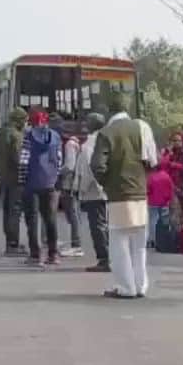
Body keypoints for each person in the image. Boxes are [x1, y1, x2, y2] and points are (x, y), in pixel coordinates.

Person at [91, 93, 158, 298]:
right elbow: (152, 160)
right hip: (140, 193)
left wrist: (107, 184)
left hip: (119, 195)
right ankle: (140, 286)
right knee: (139, 245)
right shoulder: (142, 127)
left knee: (119, 243)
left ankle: (125, 287)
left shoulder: (106, 133)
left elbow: (97, 165)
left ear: (110, 111)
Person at [18, 108, 63, 266]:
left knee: (32, 219)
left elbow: (24, 161)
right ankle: (53, 254)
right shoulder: (56, 137)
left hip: (32, 183)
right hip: (50, 184)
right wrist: (55, 179)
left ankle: (35, 255)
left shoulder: (29, 137)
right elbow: (59, 160)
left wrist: (22, 181)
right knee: (50, 220)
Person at [75, 113, 111, 273]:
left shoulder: (89, 144)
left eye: (87, 122)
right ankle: (110, 257)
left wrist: (80, 189)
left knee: (97, 226)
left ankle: (104, 258)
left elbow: (88, 170)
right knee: (105, 224)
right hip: (107, 190)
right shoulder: (107, 140)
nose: (85, 124)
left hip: (94, 191)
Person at [0, 108, 27, 256]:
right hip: (16, 178)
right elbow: (19, 159)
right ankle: (13, 245)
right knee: (15, 211)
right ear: (18, 121)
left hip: (4, 177)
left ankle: (9, 242)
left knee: (7, 210)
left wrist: (0, 172)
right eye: (24, 121)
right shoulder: (16, 136)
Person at [57, 117, 84, 258]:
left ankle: (76, 245)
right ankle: (76, 243)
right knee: (74, 214)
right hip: (75, 183)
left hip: (69, 184)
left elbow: (69, 166)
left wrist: (57, 171)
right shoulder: (75, 143)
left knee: (72, 214)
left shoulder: (69, 145)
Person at [147, 162, 175, 249]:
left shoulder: (152, 177)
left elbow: (148, 189)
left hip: (153, 202)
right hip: (164, 202)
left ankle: (153, 240)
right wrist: (171, 200)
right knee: (165, 221)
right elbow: (171, 189)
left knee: (153, 221)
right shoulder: (167, 176)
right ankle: (164, 238)